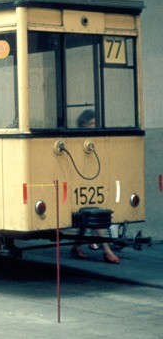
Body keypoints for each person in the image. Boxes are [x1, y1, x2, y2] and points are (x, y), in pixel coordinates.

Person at [70, 109, 120, 264]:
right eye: (91, 123)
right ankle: (107, 251)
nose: (94, 126)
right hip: (80, 183)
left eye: (95, 123)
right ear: (83, 125)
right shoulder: (78, 139)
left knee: (87, 217)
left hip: (89, 183)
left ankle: (76, 247)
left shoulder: (92, 139)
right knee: (94, 216)